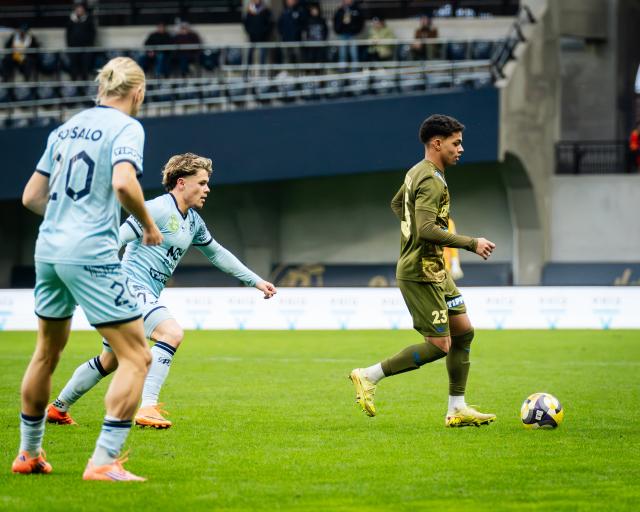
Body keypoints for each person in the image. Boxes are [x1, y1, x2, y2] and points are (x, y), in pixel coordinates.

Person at [12, 57, 163, 481]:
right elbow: (123, 182)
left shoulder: (65, 128)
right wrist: (148, 226)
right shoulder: (127, 127)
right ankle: (103, 461)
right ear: (138, 92)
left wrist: (66, 219)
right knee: (136, 356)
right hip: (90, 252)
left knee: (46, 353)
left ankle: (29, 454)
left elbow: (31, 197)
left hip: (49, 249)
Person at [47, 152, 278, 429]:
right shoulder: (157, 209)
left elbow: (217, 254)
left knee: (110, 360)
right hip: (127, 288)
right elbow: (116, 239)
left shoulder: (193, 222)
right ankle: (148, 407)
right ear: (181, 183)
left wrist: (255, 281)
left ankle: (58, 408)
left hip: (138, 293)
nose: (207, 189)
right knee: (171, 333)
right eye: (202, 183)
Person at [349, 114, 497, 427]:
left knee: (463, 332)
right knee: (440, 345)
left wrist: (413, 233)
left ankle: (457, 408)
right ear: (437, 143)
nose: (461, 149)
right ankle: (368, 375)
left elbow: (397, 205)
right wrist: (471, 243)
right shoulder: (430, 179)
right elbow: (427, 228)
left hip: (436, 270)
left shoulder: (417, 172)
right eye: (456, 143)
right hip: (420, 272)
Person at [65, 1, 96, 80]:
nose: (79, 10)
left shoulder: (89, 19)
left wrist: (90, 45)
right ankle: (74, 83)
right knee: (74, 68)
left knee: (85, 68)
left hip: (86, 48)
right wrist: (69, 46)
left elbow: (92, 33)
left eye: (81, 9)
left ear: (84, 10)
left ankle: (84, 84)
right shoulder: (71, 19)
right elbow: (68, 34)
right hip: (74, 48)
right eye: (77, 9)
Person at [333, 0, 364, 65]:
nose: (347, 1)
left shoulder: (356, 9)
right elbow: (336, 21)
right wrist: (339, 28)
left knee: (354, 54)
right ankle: (342, 69)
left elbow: (360, 21)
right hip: (342, 34)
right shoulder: (340, 10)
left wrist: (356, 30)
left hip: (353, 34)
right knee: (342, 54)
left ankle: (355, 69)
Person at [244, 0, 273, 65]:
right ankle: (248, 70)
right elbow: (246, 23)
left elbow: (270, 23)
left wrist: (265, 32)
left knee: (263, 56)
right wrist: (250, 32)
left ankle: (262, 70)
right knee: (250, 55)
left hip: (263, 37)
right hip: (252, 37)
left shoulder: (266, 10)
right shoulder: (249, 11)